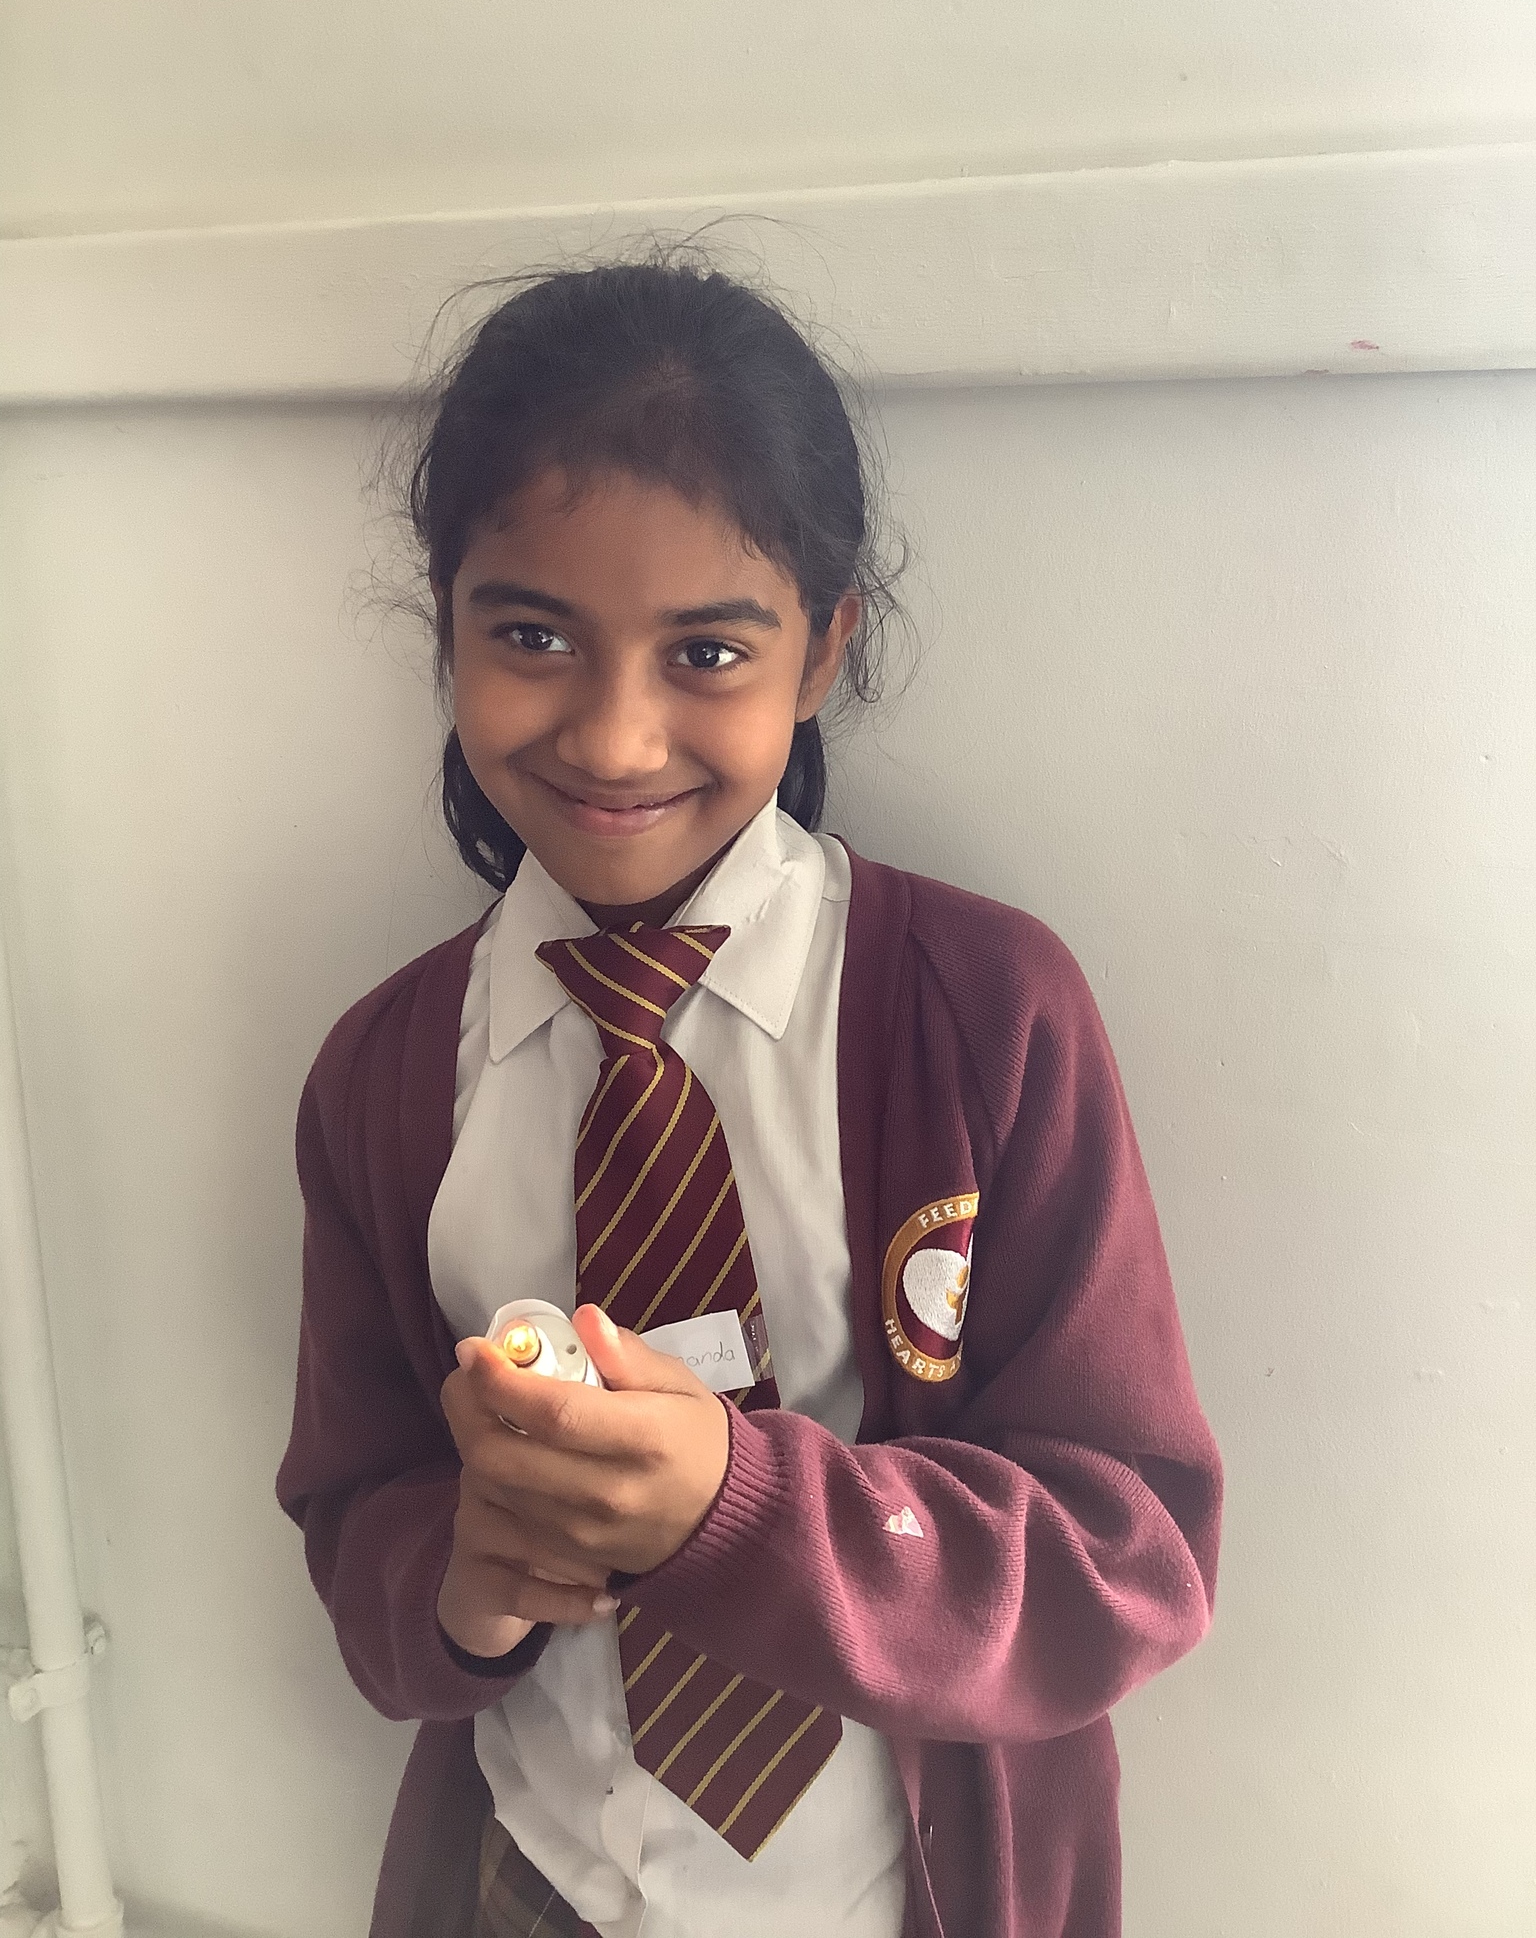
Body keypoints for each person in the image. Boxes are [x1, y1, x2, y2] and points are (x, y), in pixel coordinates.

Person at [275, 256, 1223, 1938]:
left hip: (896, 1897)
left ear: (825, 647)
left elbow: (1129, 1554)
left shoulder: (986, 1015)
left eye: (707, 650)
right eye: (532, 637)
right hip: (531, 1882)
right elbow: (359, 1519)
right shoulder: (385, 1079)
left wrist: (740, 1508)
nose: (617, 739)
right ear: (447, 624)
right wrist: (459, 1584)